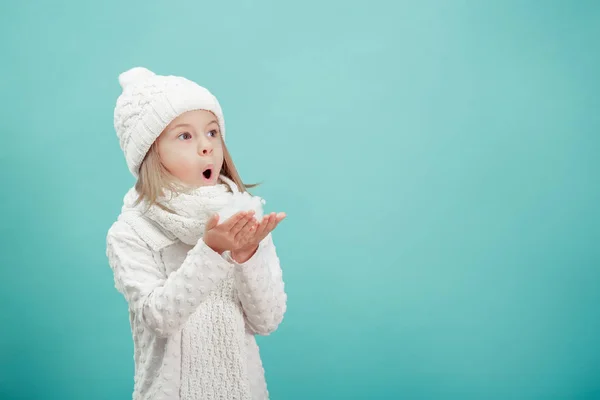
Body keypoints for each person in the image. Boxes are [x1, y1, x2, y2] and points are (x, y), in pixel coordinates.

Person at [105, 66, 287, 400]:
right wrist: (211, 251)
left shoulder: (242, 218)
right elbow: (158, 317)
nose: (207, 147)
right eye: (185, 135)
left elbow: (267, 320)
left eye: (213, 132)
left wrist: (247, 256)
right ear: (150, 152)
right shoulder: (131, 231)